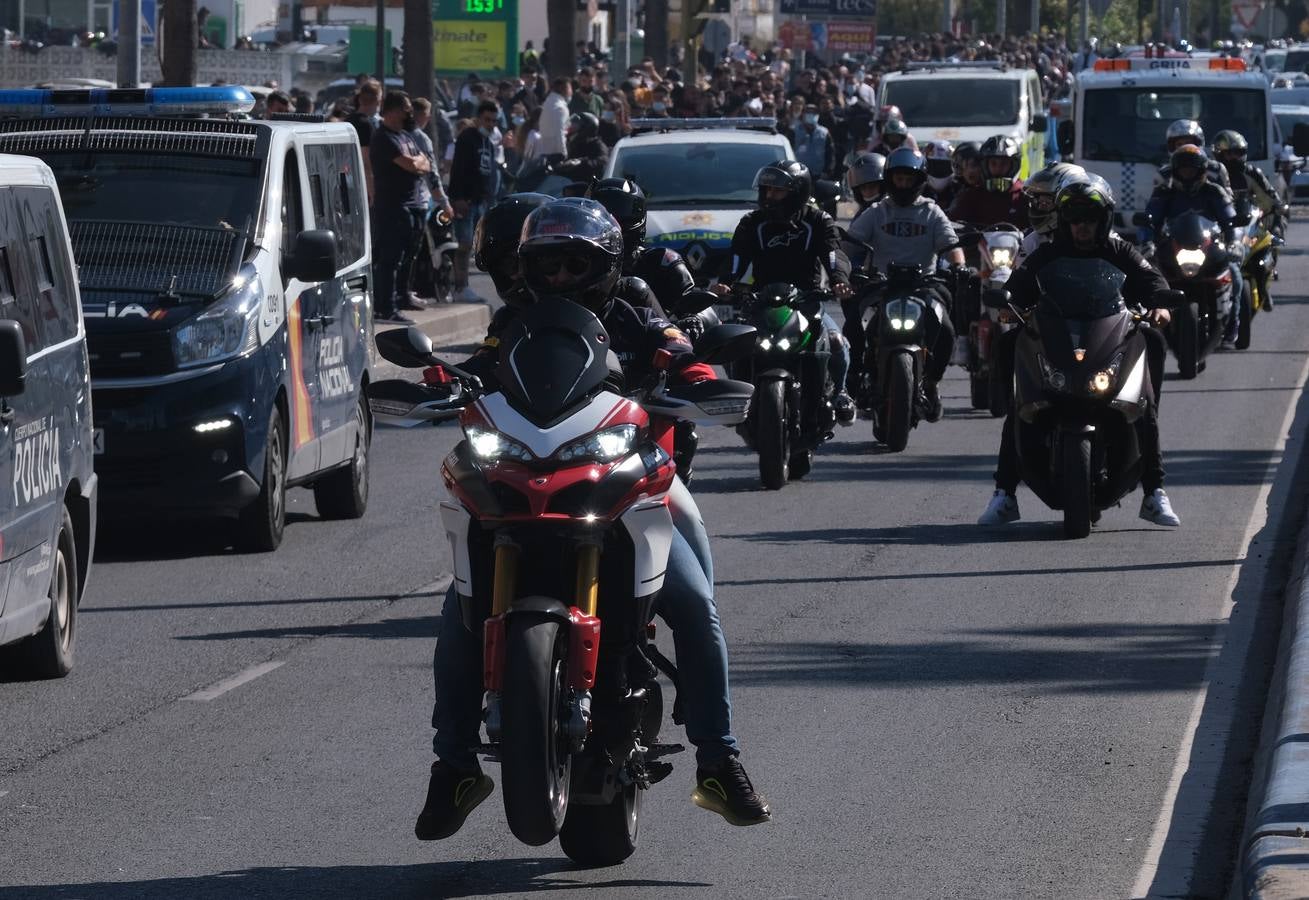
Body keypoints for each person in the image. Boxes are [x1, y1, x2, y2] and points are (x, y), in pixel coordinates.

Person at [415, 197, 772, 840]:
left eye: (574, 264)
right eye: (547, 266)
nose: (559, 279)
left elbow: (679, 351)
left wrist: (694, 376)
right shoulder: (515, 323)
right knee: (458, 613)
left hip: (636, 474)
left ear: (604, 266)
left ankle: (719, 760)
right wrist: (438, 377)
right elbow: (479, 369)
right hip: (529, 473)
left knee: (694, 603)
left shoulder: (637, 311)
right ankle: (454, 767)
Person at [978, 177, 1180, 528]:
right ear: (1063, 220)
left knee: (1152, 357)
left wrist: (1160, 304)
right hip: (1056, 339)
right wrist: (1009, 304)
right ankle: (1004, 494)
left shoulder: (1120, 250)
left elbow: (1152, 280)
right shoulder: (1048, 252)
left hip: (1110, 336)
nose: (1081, 226)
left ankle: (1154, 492)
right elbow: (1019, 285)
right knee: (1017, 388)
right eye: (1074, 219)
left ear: (1103, 219)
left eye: (1088, 218)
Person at [712, 160, 855, 423]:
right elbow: (736, 256)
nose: (769, 196)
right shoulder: (752, 223)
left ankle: (841, 392)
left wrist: (838, 279)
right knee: (736, 344)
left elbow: (834, 254)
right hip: (762, 303)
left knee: (835, 340)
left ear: (797, 191)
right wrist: (726, 282)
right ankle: (741, 396)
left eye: (777, 191)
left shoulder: (818, 220)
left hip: (807, 301)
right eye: (766, 190)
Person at [845, 147, 964, 422]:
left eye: (908, 179)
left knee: (945, 330)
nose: (902, 184)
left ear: (919, 180)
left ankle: (932, 384)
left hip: (925, 287)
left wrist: (959, 267)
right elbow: (849, 246)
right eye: (898, 179)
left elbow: (951, 245)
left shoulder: (931, 212)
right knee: (855, 322)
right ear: (889, 179)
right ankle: (859, 377)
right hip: (882, 286)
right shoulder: (877, 212)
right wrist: (845, 269)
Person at [1143, 144, 1243, 347]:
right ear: (1175, 171)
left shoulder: (1214, 192)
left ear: (1201, 170)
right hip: (1173, 249)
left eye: (1192, 168)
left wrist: (1234, 242)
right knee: (1147, 278)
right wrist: (1147, 242)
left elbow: (1230, 219)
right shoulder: (1164, 193)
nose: (1187, 173)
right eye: (1183, 169)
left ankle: (1233, 324)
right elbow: (1149, 220)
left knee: (1235, 275)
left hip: (1209, 249)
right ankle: (1147, 328)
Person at [368, 91, 432, 323]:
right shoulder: (383, 138)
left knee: (408, 255)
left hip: (413, 203)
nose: (409, 113)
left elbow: (424, 162)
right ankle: (386, 307)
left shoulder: (406, 135)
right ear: (393, 110)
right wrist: (416, 164)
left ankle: (402, 296)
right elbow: (409, 163)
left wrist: (418, 164)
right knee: (390, 258)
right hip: (392, 205)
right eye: (405, 108)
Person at [448, 100, 502, 303]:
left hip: (481, 201)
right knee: (462, 245)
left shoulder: (487, 142)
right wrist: (459, 197)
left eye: (494, 121)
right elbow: (459, 169)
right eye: (487, 119)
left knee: (471, 246)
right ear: (478, 118)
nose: (490, 124)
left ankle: (463, 285)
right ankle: (460, 287)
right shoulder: (467, 138)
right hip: (466, 200)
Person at [948, 134, 1028, 228]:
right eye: (993, 164)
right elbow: (951, 228)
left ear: (1014, 166)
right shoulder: (971, 196)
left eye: (1004, 163)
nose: (998, 168)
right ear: (985, 165)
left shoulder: (1026, 196)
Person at [1017, 162, 1086, 263]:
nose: (1040, 207)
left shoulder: (1094, 237)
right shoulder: (1033, 242)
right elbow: (1019, 276)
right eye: (1038, 201)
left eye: (1046, 202)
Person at [1157, 119, 1231, 189]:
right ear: (1172, 147)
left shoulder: (1216, 169)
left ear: (1198, 144)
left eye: (1188, 143)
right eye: (1179, 144)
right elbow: (1156, 200)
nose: (1185, 147)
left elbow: (1227, 198)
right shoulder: (1164, 174)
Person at [348, 79, 383, 203]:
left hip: (347, 181)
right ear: (377, 100)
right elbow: (366, 161)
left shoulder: (348, 120)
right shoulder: (365, 125)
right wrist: (372, 191)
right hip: (361, 185)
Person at [790, 103, 834, 178]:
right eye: (808, 113)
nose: (811, 115)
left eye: (814, 113)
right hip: (797, 174)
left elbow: (830, 153)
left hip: (818, 175)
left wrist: (827, 171)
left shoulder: (824, 132)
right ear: (803, 114)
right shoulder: (794, 131)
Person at [538, 76, 572, 162]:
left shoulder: (548, 102)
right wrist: (564, 152)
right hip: (556, 153)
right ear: (563, 89)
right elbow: (559, 132)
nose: (571, 92)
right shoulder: (560, 108)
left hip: (544, 150)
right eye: (569, 88)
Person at [921, 139, 956, 207]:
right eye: (935, 165)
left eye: (943, 166)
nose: (939, 169)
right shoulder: (917, 192)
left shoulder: (959, 190)